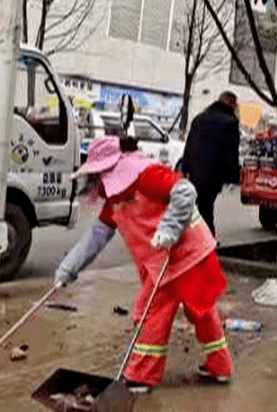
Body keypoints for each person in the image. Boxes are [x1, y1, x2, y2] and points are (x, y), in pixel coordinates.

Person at [55, 136, 233, 394]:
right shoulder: (115, 199)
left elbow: (185, 190)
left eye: (98, 175)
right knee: (203, 312)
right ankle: (220, 367)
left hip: (181, 252)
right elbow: (96, 236)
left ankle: (141, 375)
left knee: (154, 314)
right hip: (183, 255)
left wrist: (170, 228)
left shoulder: (146, 176)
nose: (95, 183)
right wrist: (68, 269)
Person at [181, 91, 241, 238]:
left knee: (202, 206)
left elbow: (189, 145)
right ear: (231, 104)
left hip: (195, 171)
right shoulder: (230, 123)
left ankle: (202, 238)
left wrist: (185, 167)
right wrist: (233, 176)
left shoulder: (199, 119)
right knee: (205, 207)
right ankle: (205, 241)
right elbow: (231, 153)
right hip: (214, 173)